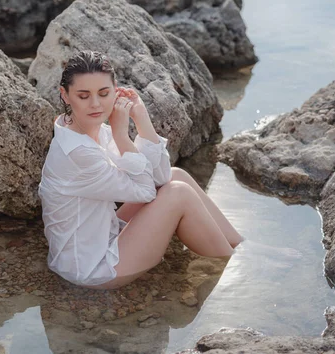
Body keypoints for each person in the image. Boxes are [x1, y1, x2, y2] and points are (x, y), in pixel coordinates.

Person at [38, 51, 243, 290]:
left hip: (104, 238)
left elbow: (161, 177)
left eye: (103, 93)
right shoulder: (78, 152)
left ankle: (240, 247)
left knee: (177, 176)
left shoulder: (87, 129)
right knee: (178, 194)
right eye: (83, 96)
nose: (96, 104)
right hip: (90, 269)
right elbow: (146, 191)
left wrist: (142, 118)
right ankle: (232, 265)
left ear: (115, 89)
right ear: (66, 95)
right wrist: (122, 135)